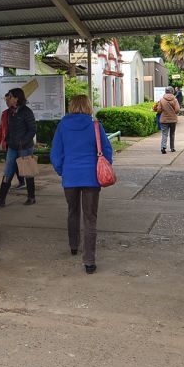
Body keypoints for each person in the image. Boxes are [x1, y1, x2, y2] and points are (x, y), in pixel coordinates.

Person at [50, 95, 112, 275]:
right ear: (88, 106)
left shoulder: (62, 126)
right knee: (90, 218)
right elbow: (107, 151)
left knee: (73, 211)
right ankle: (89, 261)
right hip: (92, 178)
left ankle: (73, 245)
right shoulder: (95, 126)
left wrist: (63, 170)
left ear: (72, 106)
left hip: (70, 177)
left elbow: (55, 154)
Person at [0, 88, 36, 207]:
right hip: (12, 147)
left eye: (10, 96)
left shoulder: (26, 111)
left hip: (25, 147)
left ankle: (31, 197)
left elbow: (32, 129)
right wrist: (7, 141)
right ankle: (1, 198)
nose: (8, 98)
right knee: (8, 172)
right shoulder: (9, 112)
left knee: (27, 172)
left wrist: (23, 142)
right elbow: (7, 129)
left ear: (17, 98)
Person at [0, 96, 25, 189]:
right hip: (8, 144)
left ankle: (21, 182)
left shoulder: (23, 112)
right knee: (11, 165)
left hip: (20, 144)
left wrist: (24, 141)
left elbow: (30, 129)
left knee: (17, 164)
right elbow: (1, 129)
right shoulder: (5, 113)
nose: (6, 101)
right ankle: (8, 186)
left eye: (8, 99)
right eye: (6, 100)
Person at [154, 86, 180, 154]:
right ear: (172, 91)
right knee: (172, 134)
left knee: (164, 134)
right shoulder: (175, 99)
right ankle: (172, 148)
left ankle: (163, 147)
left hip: (164, 119)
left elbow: (159, 110)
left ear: (165, 91)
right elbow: (177, 110)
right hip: (173, 120)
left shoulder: (162, 100)